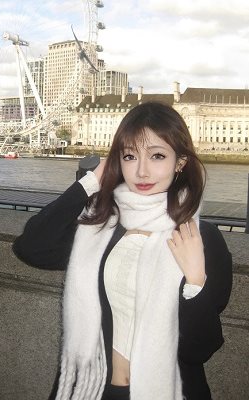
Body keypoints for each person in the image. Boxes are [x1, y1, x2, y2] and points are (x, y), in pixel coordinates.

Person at [12, 101, 232, 400]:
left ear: (180, 162)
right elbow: (31, 247)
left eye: (157, 156)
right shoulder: (103, 227)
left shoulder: (200, 239)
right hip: (96, 389)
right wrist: (90, 182)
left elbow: (199, 349)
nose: (141, 171)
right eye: (130, 156)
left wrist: (195, 281)